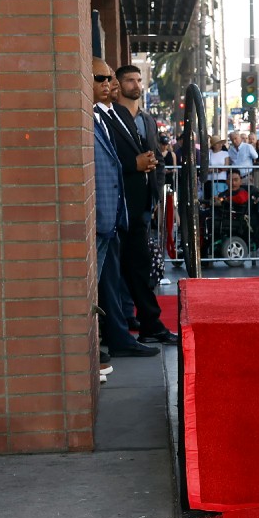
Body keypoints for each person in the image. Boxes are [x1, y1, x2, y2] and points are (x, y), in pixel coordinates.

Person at [99, 62, 177, 347]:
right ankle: (138, 323)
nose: (113, 86)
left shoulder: (136, 117)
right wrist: (135, 164)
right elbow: (107, 160)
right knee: (126, 268)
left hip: (139, 204)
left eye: (137, 79)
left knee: (136, 266)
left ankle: (143, 322)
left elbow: (153, 155)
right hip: (117, 207)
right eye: (103, 79)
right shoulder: (105, 117)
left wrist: (154, 193)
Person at [91, 59, 157, 364]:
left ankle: (120, 335)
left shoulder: (114, 115)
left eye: (109, 79)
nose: (109, 84)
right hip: (106, 213)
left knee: (114, 278)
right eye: (101, 78)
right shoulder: (92, 116)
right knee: (109, 280)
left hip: (121, 211)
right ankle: (117, 336)